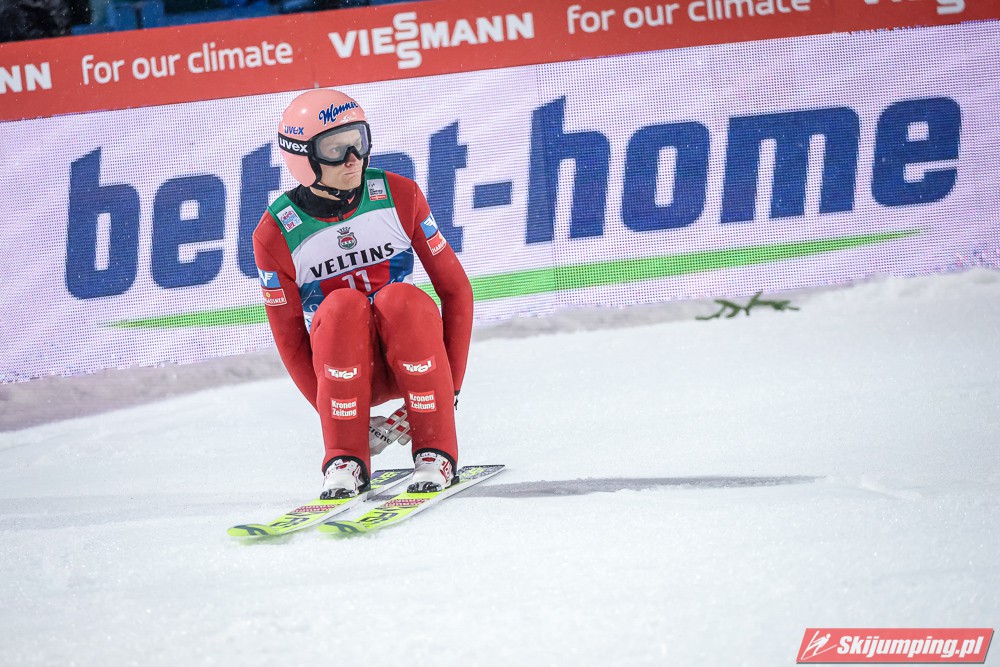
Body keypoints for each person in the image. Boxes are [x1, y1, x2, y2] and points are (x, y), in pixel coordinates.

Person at [253, 88, 473, 498]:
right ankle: (345, 457)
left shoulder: (400, 195)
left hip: (414, 356)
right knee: (341, 306)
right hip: (345, 373)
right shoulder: (275, 234)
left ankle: (435, 449)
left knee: (400, 299)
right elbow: (290, 338)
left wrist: (451, 387)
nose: (353, 159)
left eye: (358, 142)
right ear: (303, 158)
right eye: (335, 150)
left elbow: (456, 290)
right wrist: (334, 416)